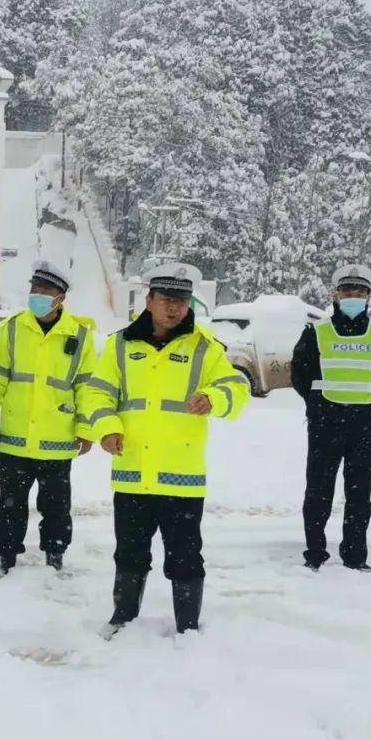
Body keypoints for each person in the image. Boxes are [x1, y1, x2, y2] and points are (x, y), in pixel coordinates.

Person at [86, 263, 249, 637]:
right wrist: (107, 427)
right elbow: (98, 392)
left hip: (182, 476)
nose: (173, 308)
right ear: (149, 301)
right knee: (129, 553)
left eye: (181, 301)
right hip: (132, 471)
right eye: (166, 300)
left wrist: (214, 397)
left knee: (185, 557)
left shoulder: (204, 347)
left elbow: (237, 389)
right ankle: (123, 616)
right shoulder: (120, 344)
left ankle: (188, 626)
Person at [0, 260, 98, 575]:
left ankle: (55, 557)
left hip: (58, 440)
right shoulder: (13, 329)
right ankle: (6, 557)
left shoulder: (80, 336)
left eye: (45, 291)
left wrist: (86, 429)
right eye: (34, 289)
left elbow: (87, 387)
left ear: (61, 298)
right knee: (10, 506)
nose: (37, 295)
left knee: (56, 508)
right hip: (15, 438)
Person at [290, 264, 371, 572]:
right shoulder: (317, 331)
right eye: (348, 291)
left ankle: (355, 555)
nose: (353, 296)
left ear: (369, 297)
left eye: (360, 292)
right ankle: (315, 552)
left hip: (364, 423)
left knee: (359, 492)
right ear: (336, 295)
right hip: (326, 422)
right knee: (318, 490)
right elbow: (300, 373)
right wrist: (319, 403)